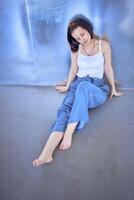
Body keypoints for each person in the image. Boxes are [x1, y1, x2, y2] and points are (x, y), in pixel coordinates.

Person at [32, 14, 123, 167]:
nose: (82, 39)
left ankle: (69, 133)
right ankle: (46, 153)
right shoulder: (75, 47)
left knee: (83, 87)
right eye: (77, 38)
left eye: (83, 34)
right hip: (78, 84)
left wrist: (113, 88)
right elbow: (74, 68)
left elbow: (108, 68)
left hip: (97, 88)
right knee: (65, 109)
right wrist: (68, 86)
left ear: (88, 28)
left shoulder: (103, 45)